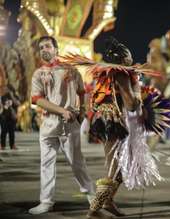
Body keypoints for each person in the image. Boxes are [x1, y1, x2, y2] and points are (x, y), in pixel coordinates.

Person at [65, 37, 164, 219]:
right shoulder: (121, 73)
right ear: (123, 58)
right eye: (129, 55)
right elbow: (131, 103)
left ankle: (108, 202)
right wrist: (139, 96)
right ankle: (94, 210)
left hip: (107, 120)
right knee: (114, 167)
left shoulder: (108, 73)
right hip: (114, 123)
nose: (131, 58)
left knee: (119, 167)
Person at [28, 36, 95, 215]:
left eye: (48, 46)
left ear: (56, 50)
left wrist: (82, 111)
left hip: (69, 124)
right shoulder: (38, 74)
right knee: (46, 164)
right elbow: (37, 100)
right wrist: (61, 110)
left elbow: (83, 91)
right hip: (48, 124)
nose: (44, 50)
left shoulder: (71, 70)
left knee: (76, 162)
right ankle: (46, 201)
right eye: (41, 47)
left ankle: (92, 196)